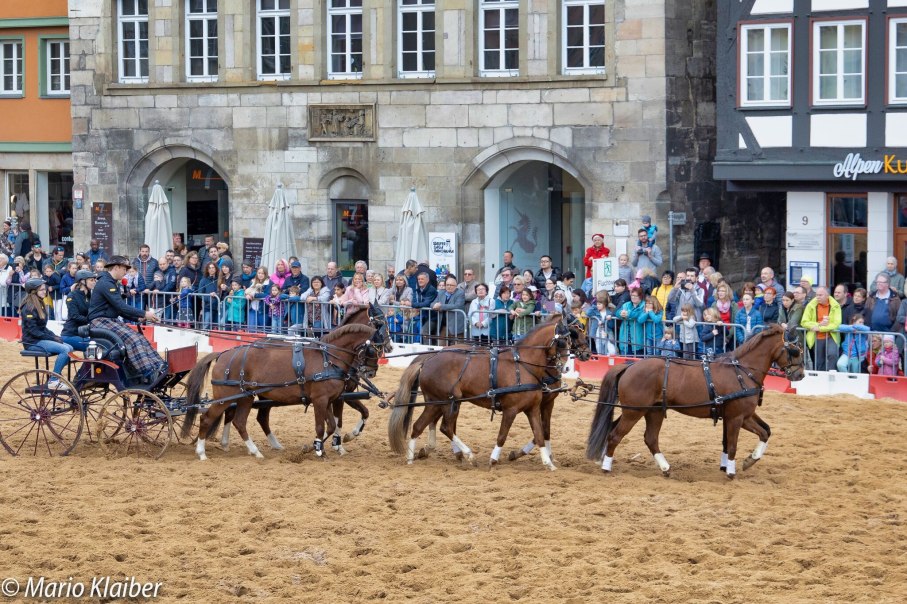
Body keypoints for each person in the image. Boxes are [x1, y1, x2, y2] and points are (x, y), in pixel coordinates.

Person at [87, 256, 164, 383]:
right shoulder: (106, 283)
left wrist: (137, 317)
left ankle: (158, 365)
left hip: (109, 320)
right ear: (116, 267)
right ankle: (148, 371)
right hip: (99, 321)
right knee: (133, 340)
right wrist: (145, 313)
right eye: (124, 269)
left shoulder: (112, 283)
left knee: (140, 338)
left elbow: (119, 310)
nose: (126, 272)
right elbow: (121, 306)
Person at [20, 278, 73, 388]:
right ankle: (53, 380)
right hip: (32, 342)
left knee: (69, 347)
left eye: (45, 289)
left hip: (39, 339)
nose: (45, 291)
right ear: (34, 291)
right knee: (64, 349)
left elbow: (43, 328)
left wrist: (54, 336)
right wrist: (52, 339)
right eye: (42, 290)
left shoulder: (40, 303)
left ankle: (57, 374)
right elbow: (33, 330)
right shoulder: (29, 307)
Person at [801, 286, 842, 371]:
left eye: (820, 295)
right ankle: (821, 379)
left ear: (827, 296)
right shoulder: (811, 305)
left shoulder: (835, 305)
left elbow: (836, 324)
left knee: (832, 354)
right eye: (817, 295)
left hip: (831, 335)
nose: (817, 297)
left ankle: (832, 375)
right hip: (817, 337)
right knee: (819, 361)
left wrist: (820, 328)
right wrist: (819, 324)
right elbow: (804, 322)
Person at [60, 270, 98, 352]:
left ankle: (88, 365)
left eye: (94, 280)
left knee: (99, 344)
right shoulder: (72, 295)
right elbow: (75, 316)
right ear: (82, 281)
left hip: (83, 333)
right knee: (94, 347)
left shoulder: (89, 295)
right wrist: (91, 319)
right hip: (70, 334)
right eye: (91, 280)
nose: (94, 282)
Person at [427, 276, 466, 344]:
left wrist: (441, 306)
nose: (449, 287)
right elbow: (432, 304)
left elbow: (457, 305)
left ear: (456, 286)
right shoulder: (441, 292)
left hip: (455, 325)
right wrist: (434, 306)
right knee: (441, 347)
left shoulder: (460, 293)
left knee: (457, 349)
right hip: (443, 325)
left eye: (451, 285)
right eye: (447, 285)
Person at [617, 288, 646, 355]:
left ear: (640, 296)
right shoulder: (626, 304)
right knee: (625, 362)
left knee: (638, 362)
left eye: (635, 296)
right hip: (625, 337)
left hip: (638, 337)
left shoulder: (644, 305)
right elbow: (617, 312)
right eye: (632, 295)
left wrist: (629, 314)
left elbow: (639, 314)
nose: (633, 297)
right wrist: (620, 313)